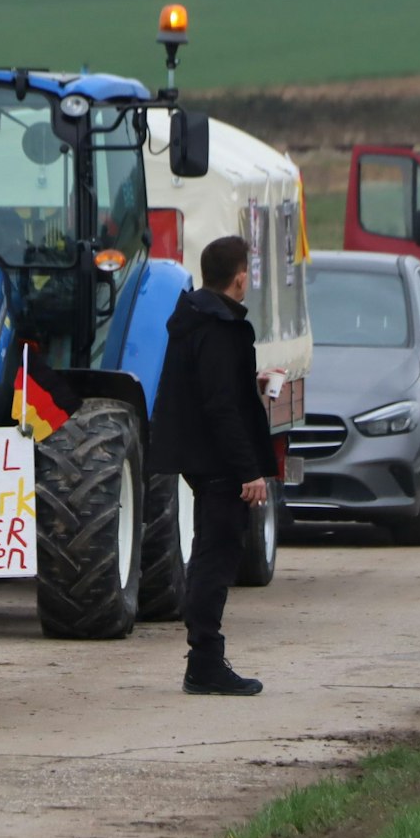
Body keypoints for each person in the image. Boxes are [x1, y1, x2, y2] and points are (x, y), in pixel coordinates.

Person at [148, 236, 277, 696]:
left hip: (200, 455)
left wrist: (249, 381)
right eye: (249, 271)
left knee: (211, 552)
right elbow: (222, 407)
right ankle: (204, 661)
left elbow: (211, 387)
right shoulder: (220, 327)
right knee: (215, 557)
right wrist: (249, 470)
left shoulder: (195, 318)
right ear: (239, 276)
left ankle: (204, 658)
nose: (249, 278)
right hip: (221, 459)